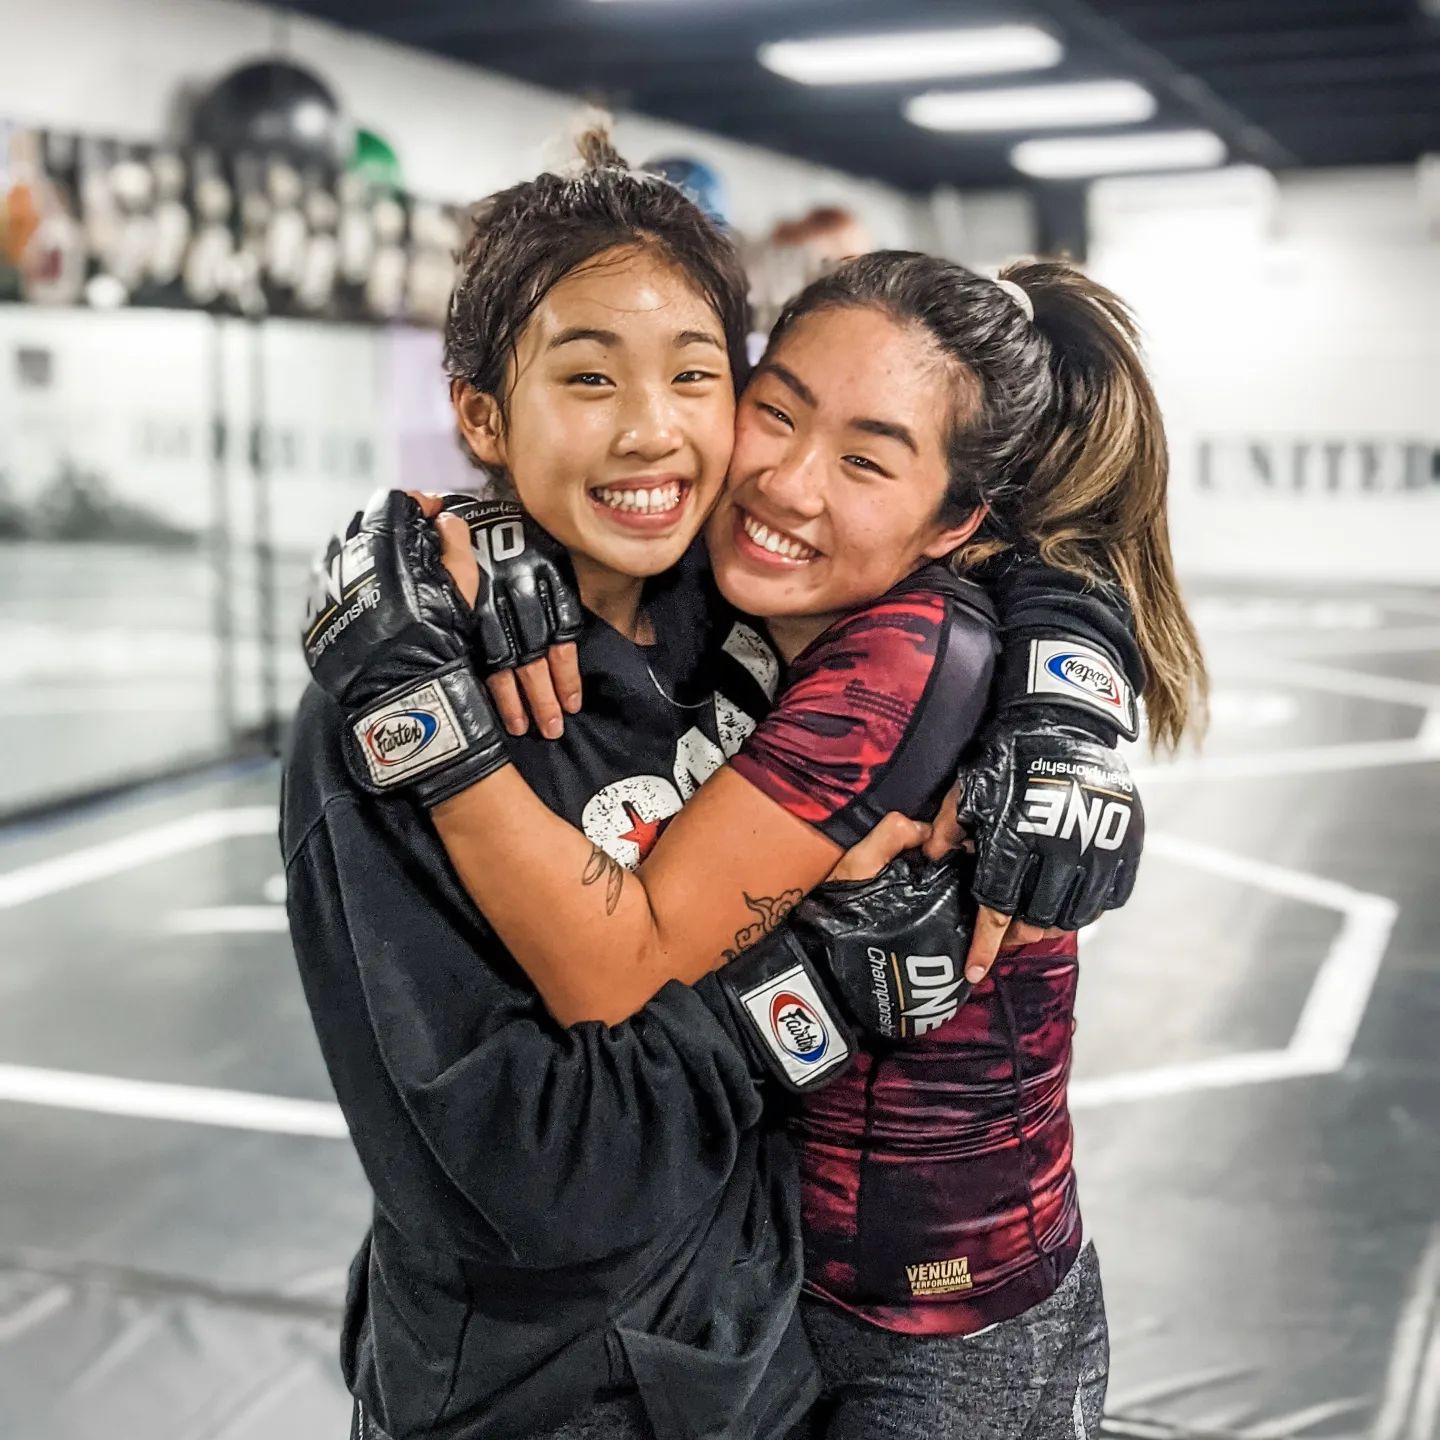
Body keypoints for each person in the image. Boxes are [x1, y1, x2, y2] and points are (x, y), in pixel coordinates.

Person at [287, 136, 1163, 1440]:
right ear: (483, 411)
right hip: (549, 1395)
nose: (658, 428)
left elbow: (987, 574)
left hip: (840, 1341)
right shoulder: (423, 688)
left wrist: (1071, 679)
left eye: (696, 376)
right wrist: (811, 986)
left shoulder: (756, 614)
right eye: (589, 377)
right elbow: (545, 1177)